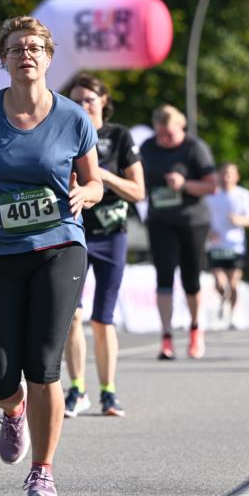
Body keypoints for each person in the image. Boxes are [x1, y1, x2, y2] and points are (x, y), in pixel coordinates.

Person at [0, 16, 102, 496]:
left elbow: (94, 180)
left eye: (35, 47)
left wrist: (87, 195)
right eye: (16, 48)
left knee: (42, 364)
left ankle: (43, 472)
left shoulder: (74, 118)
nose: (26, 54)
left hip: (59, 246)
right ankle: (12, 412)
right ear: (4, 59)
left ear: (49, 58)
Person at [63, 74, 145, 418]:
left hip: (112, 235)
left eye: (88, 100)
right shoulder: (64, 134)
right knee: (72, 315)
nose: (82, 106)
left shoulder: (119, 136)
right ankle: (77, 389)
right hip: (76, 233)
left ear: (103, 101)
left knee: (103, 319)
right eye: (76, 101)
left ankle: (108, 393)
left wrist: (104, 177)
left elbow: (139, 192)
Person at [140, 104, 218, 359]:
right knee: (163, 277)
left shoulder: (194, 148)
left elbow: (212, 186)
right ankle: (166, 336)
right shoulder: (148, 148)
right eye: (160, 134)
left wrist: (184, 185)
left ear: (181, 127)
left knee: (191, 278)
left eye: (169, 135)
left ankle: (196, 329)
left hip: (192, 221)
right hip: (160, 220)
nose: (164, 139)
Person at [205, 162, 249, 324]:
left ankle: (232, 314)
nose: (226, 178)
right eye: (223, 174)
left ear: (236, 177)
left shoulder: (243, 195)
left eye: (229, 174)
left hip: (235, 246)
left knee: (233, 284)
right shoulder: (211, 196)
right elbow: (203, 218)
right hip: (216, 246)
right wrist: (208, 232)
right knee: (220, 283)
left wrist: (238, 220)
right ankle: (223, 300)